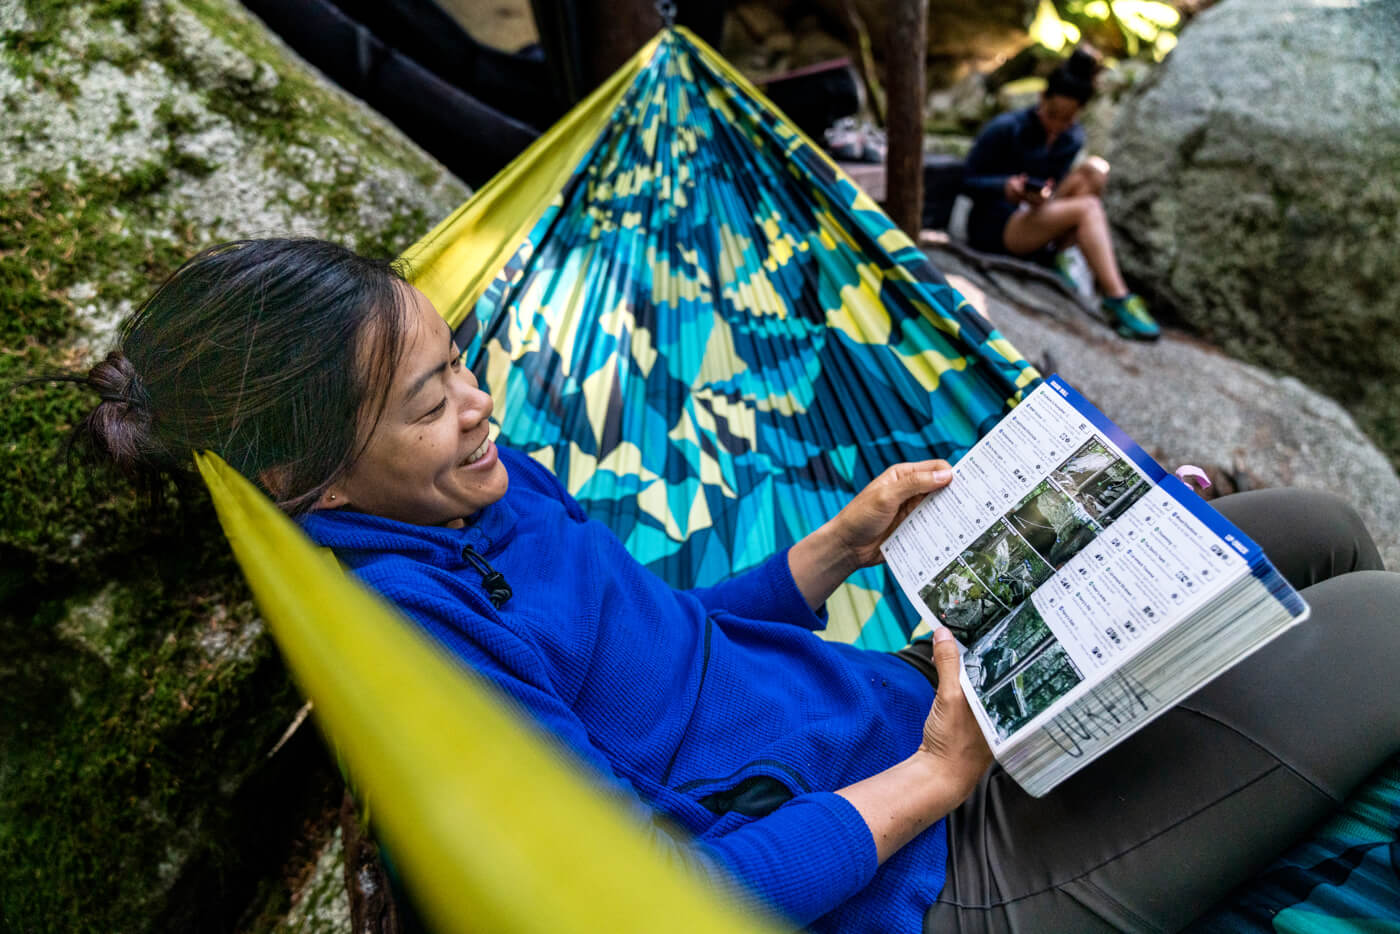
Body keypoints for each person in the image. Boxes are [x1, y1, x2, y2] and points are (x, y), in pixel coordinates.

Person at [72, 239, 1399, 932]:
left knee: (1316, 521)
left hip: (899, 719)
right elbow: (663, 904)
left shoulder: (463, 481)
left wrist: (835, 547)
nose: (482, 407)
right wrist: (940, 775)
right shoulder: (413, 645)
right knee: (1381, 620)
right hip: (932, 880)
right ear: (313, 483)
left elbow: (659, 650)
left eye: (461, 361)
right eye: (432, 399)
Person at [963, 49, 1161, 341]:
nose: (1057, 126)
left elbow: (1058, 185)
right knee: (1088, 207)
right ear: (1043, 98)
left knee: (1096, 170)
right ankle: (1118, 297)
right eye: (1052, 116)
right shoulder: (1007, 128)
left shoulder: (1073, 138)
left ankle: (1063, 256)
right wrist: (1004, 187)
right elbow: (965, 180)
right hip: (996, 224)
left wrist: (1042, 196)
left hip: (1034, 215)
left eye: (1066, 120)